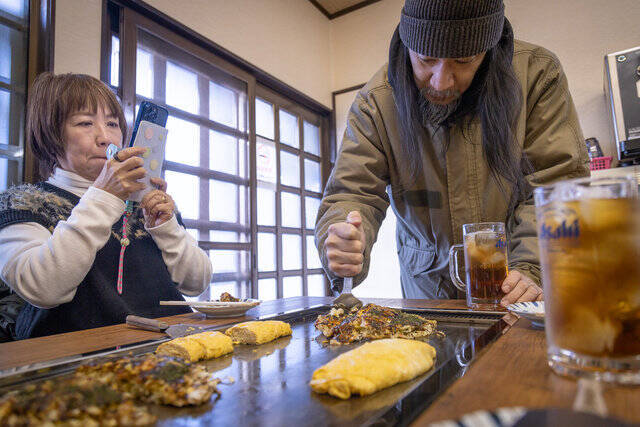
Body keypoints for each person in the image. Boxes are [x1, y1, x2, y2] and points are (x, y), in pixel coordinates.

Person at [315, 0, 589, 304]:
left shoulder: (536, 74)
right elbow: (352, 194)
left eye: (464, 60)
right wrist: (343, 238)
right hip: (428, 293)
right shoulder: (376, 103)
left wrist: (533, 267)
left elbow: (556, 184)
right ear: (408, 43)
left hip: (521, 290)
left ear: (488, 50)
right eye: (426, 58)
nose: (441, 82)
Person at [0, 73, 211, 340]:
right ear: (51, 135)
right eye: (85, 123)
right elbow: (44, 288)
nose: (105, 138)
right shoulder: (23, 203)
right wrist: (104, 194)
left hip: (168, 350)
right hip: (75, 364)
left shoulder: (145, 202)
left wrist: (167, 228)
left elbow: (197, 283)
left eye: (112, 123)